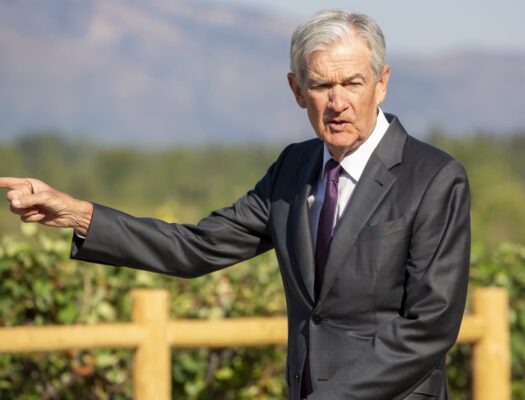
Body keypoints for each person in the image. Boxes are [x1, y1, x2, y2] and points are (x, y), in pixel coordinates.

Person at [0, 10, 470, 400]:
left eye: (353, 83)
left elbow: (429, 327)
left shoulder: (434, 177)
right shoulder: (293, 168)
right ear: (296, 90)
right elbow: (196, 247)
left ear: (382, 83)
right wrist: (80, 215)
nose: (337, 102)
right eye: (322, 86)